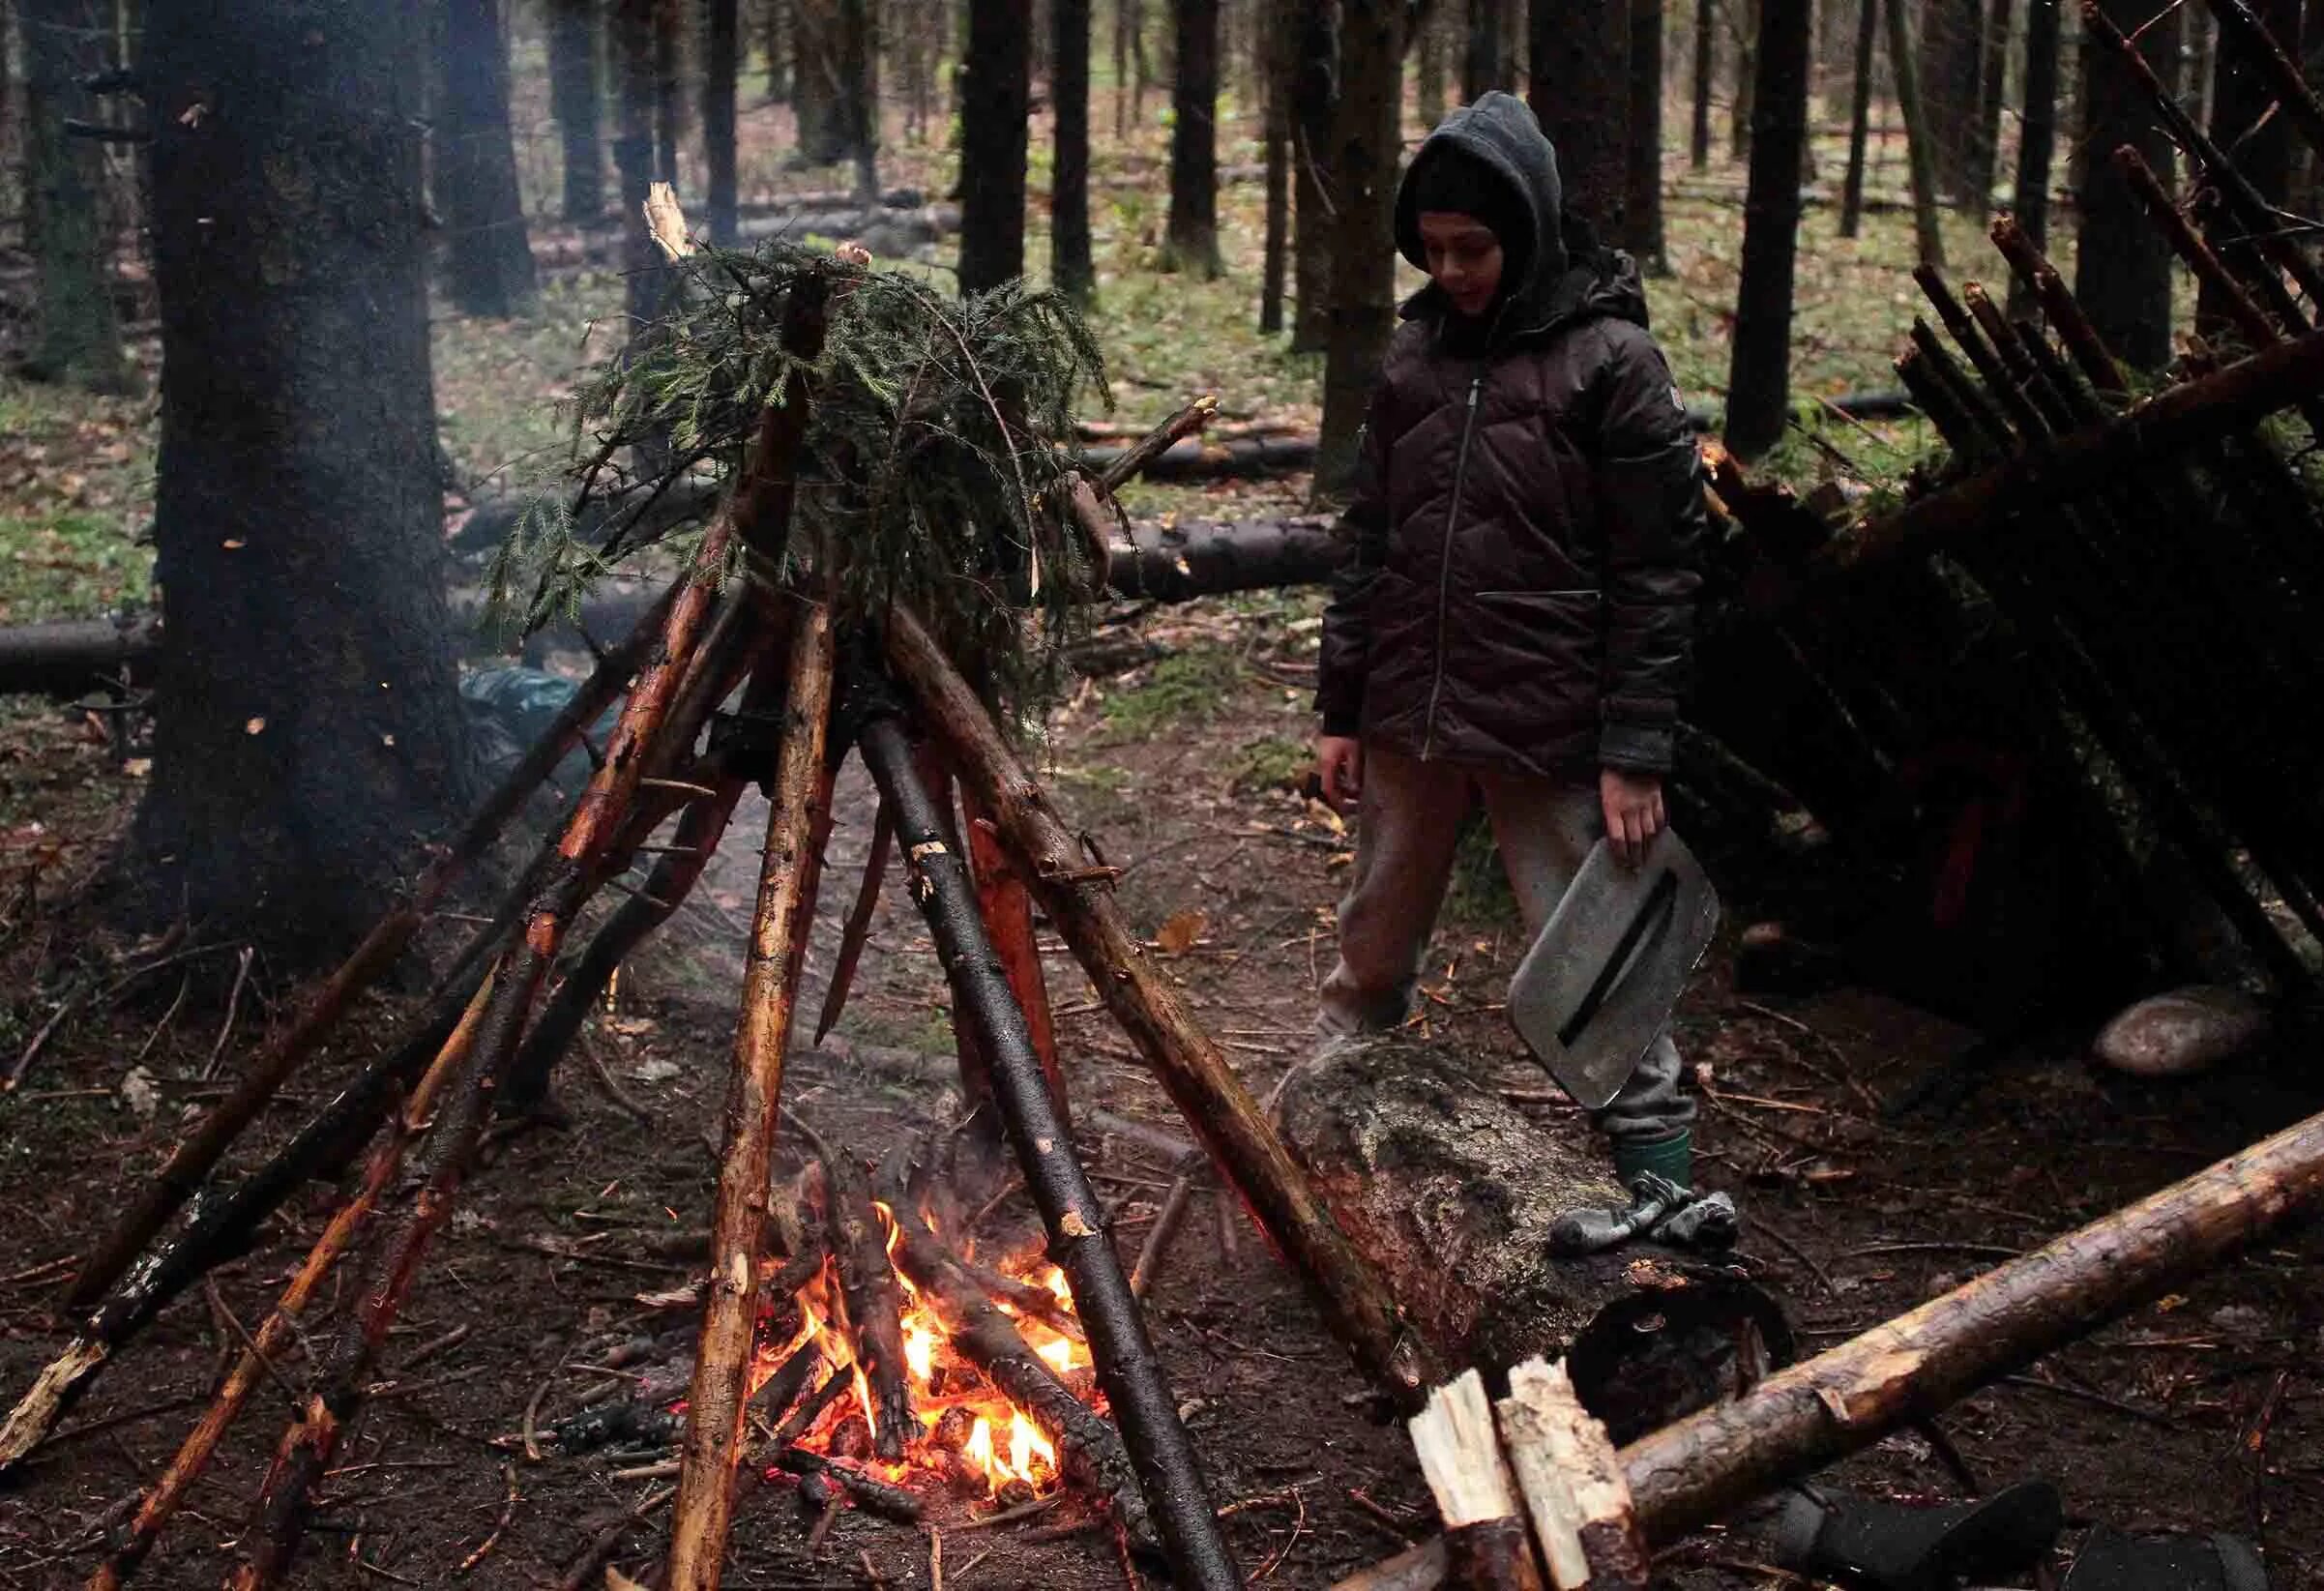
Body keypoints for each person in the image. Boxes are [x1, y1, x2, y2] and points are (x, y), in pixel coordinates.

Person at [1312, 92, 1708, 1223]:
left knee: (1604, 969)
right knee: (1369, 957)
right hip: (1408, 717)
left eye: (1473, 247)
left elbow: (1660, 572)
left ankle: (1665, 1202)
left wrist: (1635, 748)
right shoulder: (1413, 358)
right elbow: (1370, 541)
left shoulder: (1614, 363)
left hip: (1549, 728)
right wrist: (1341, 706)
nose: (1452, 270)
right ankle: (1317, 1158)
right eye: (1432, 249)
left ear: (1526, 229)